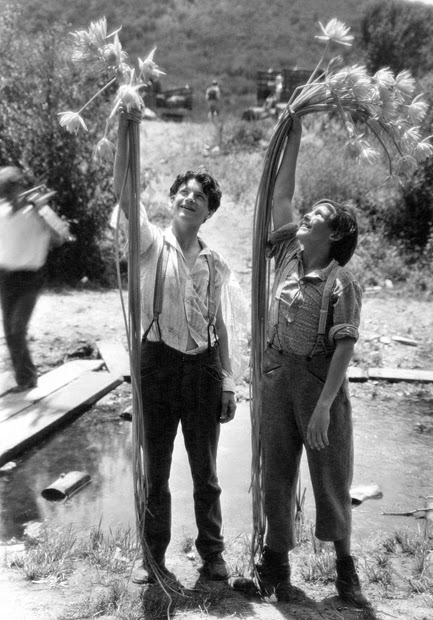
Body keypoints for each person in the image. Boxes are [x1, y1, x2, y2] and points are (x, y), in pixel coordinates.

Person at [239, 115, 373, 611]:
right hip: (277, 379)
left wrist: (323, 407)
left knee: (330, 473)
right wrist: (292, 134)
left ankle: (345, 569)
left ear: (335, 234)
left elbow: (344, 347)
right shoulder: (288, 259)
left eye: (317, 215)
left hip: (321, 388)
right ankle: (276, 566)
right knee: (276, 470)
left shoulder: (342, 283)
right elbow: (280, 198)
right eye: (309, 212)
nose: (305, 218)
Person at [113, 110, 247, 589]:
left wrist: (229, 382)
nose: (191, 199)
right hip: (158, 364)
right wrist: (128, 130)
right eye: (184, 192)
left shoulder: (215, 263)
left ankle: (213, 556)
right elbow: (125, 193)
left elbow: (223, 325)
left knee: (206, 471)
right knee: (157, 470)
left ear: (209, 211)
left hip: (204, 367)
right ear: (172, 201)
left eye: (201, 196)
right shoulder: (151, 244)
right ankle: (152, 557)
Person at [0, 166, 70, 392]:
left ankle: (28, 379)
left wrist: (39, 211)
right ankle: (25, 378)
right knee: (10, 332)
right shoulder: (1, 211)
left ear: (20, 186)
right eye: (3, 190)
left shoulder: (40, 211)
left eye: (10, 188)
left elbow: (60, 239)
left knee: (17, 329)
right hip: (6, 277)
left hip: (30, 278)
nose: (7, 194)